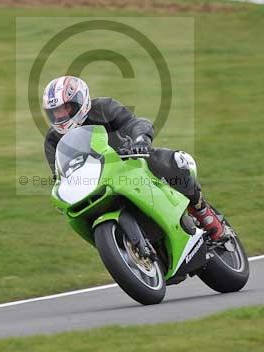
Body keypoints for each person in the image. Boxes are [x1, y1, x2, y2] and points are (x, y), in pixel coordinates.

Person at [42, 75, 227, 241]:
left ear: (80, 101)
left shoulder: (104, 108)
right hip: (94, 184)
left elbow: (134, 123)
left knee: (175, 162)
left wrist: (140, 139)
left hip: (130, 162)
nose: (61, 115)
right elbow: (59, 175)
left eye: (65, 108)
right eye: (55, 111)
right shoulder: (52, 140)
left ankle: (202, 210)